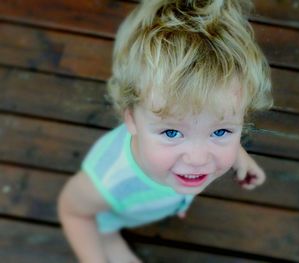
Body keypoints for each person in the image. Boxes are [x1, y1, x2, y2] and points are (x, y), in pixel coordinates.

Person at [58, 0, 273, 262]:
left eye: (220, 132)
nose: (198, 159)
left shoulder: (177, 161)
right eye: (171, 133)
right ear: (132, 120)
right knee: (104, 237)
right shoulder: (108, 180)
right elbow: (73, 212)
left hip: (155, 203)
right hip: (107, 215)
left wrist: (242, 158)